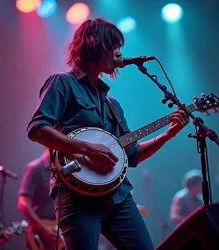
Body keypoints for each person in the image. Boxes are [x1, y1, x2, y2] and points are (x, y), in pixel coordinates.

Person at [26, 17, 189, 250]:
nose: (120, 53)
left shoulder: (113, 103)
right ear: (95, 43)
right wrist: (89, 148)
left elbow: (132, 155)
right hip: (77, 198)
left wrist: (168, 134)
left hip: (119, 196)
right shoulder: (62, 83)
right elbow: (37, 129)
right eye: (115, 46)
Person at [18, 148, 59, 249]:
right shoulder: (35, 168)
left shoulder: (65, 169)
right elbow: (23, 203)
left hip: (60, 231)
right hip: (40, 236)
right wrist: (42, 228)